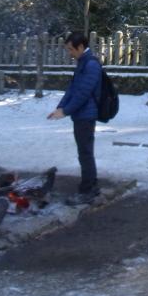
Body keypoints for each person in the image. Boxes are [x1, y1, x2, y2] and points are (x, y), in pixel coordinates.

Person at [48, 32, 102, 205]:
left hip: (86, 115)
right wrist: (60, 107)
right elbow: (72, 89)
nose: (69, 53)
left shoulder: (91, 64)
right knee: (84, 152)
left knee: (85, 153)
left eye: (71, 49)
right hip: (80, 114)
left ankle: (87, 190)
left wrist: (66, 111)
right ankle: (92, 186)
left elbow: (83, 93)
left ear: (80, 47)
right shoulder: (83, 62)